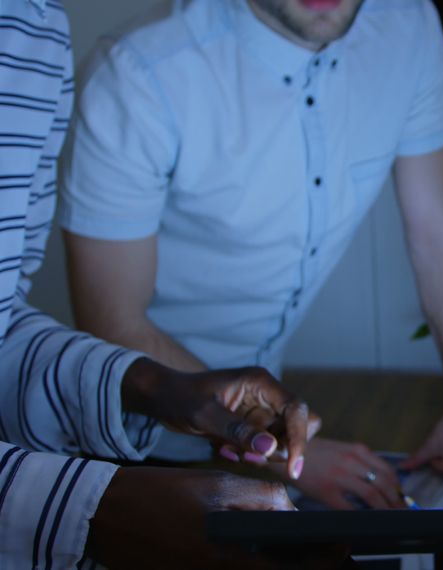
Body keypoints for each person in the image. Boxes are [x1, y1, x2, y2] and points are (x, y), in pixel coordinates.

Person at [58, 0, 443, 510]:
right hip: (135, 444)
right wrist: (288, 454)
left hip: (273, 422)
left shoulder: (407, 24)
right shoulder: (137, 75)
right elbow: (113, 323)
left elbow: (434, 228)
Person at [0, 1, 331, 566]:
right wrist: (90, 508)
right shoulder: (133, 69)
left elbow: (2, 329)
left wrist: (153, 388)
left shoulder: (34, 27)